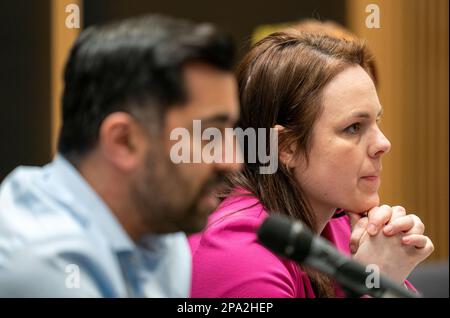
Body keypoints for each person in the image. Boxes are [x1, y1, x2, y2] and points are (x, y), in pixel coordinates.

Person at [0, 14, 240, 297]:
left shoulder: (161, 228)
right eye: (208, 135)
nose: (232, 161)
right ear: (123, 141)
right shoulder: (45, 262)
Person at [189, 31, 434, 298]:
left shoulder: (339, 222)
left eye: (377, 121)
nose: (383, 143)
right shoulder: (239, 252)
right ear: (285, 147)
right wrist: (374, 280)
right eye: (353, 127)